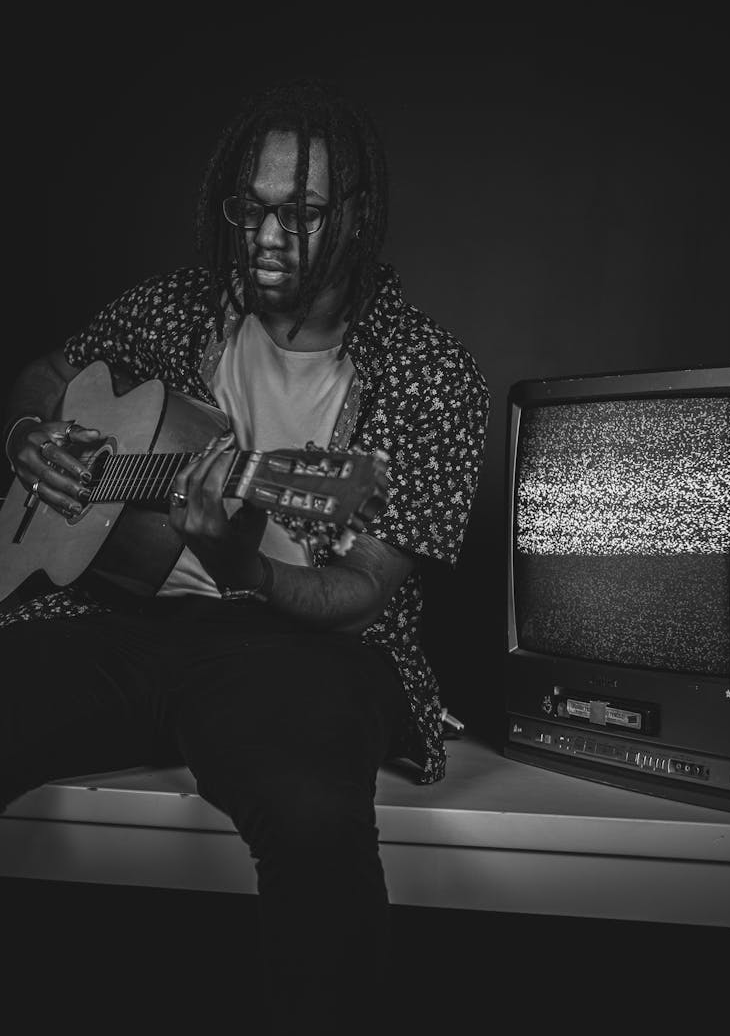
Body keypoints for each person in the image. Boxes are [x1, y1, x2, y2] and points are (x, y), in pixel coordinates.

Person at [0, 78, 489, 1032]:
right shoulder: (175, 308)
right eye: (251, 209)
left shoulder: (428, 372)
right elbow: (50, 372)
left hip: (305, 650)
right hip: (123, 620)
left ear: (360, 213)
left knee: (314, 827)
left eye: (301, 213)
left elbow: (358, 589)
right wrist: (26, 435)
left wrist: (249, 568)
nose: (267, 237)